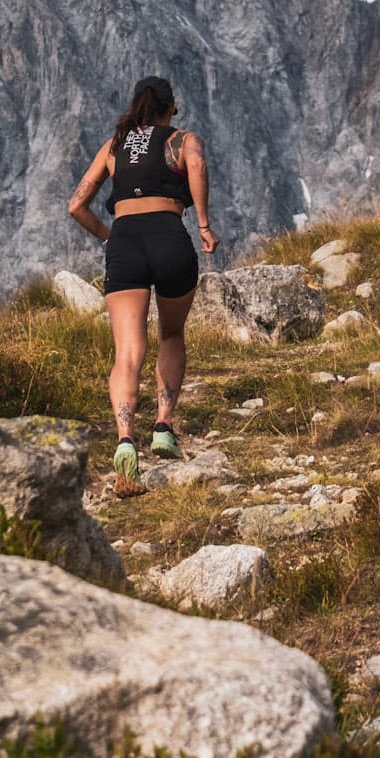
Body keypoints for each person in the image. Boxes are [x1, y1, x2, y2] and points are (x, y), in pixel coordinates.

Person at [66, 75, 218, 485]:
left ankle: (124, 438)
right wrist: (204, 225)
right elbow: (198, 166)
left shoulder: (114, 146)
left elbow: (77, 204)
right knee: (171, 335)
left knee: (127, 351)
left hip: (126, 243)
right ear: (173, 108)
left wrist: (108, 236)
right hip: (169, 237)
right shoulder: (183, 139)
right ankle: (164, 426)